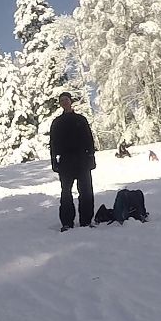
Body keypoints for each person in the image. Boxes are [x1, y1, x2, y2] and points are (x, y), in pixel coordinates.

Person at [49, 92, 96, 231]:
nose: (64, 102)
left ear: (70, 102)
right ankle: (67, 223)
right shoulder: (57, 122)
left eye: (66, 99)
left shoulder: (81, 119)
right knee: (66, 193)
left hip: (82, 160)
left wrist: (91, 157)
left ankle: (86, 221)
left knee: (86, 192)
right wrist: (54, 161)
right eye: (61, 100)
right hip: (65, 162)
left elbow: (89, 139)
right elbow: (53, 143)